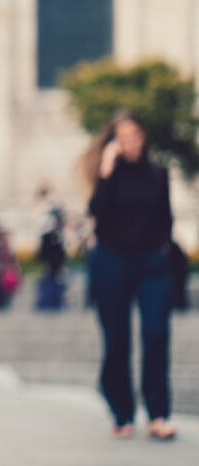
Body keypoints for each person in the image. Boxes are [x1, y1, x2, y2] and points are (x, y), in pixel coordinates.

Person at [82, 112, 178, 440]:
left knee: (155, 334)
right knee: (117, 340)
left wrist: (162, 248)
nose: (130, 143)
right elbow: (96, 213)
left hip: (151, 264)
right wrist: (106, 172)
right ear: (113, 142)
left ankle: (158, 414)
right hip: (112, 262)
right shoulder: (108, 176)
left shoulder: (158, 172)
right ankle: (121, 412)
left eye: (134, 135)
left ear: (143, 137)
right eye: (122, 138)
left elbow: (167, 216)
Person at [36, 187, 68, 311]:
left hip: (57, 263)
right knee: (49, 283)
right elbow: (43, 250)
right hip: (50, 262)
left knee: (57, 283)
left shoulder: (58, 234)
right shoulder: (47, 235)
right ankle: (48, 303)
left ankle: (55, 303)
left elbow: (61, 250)